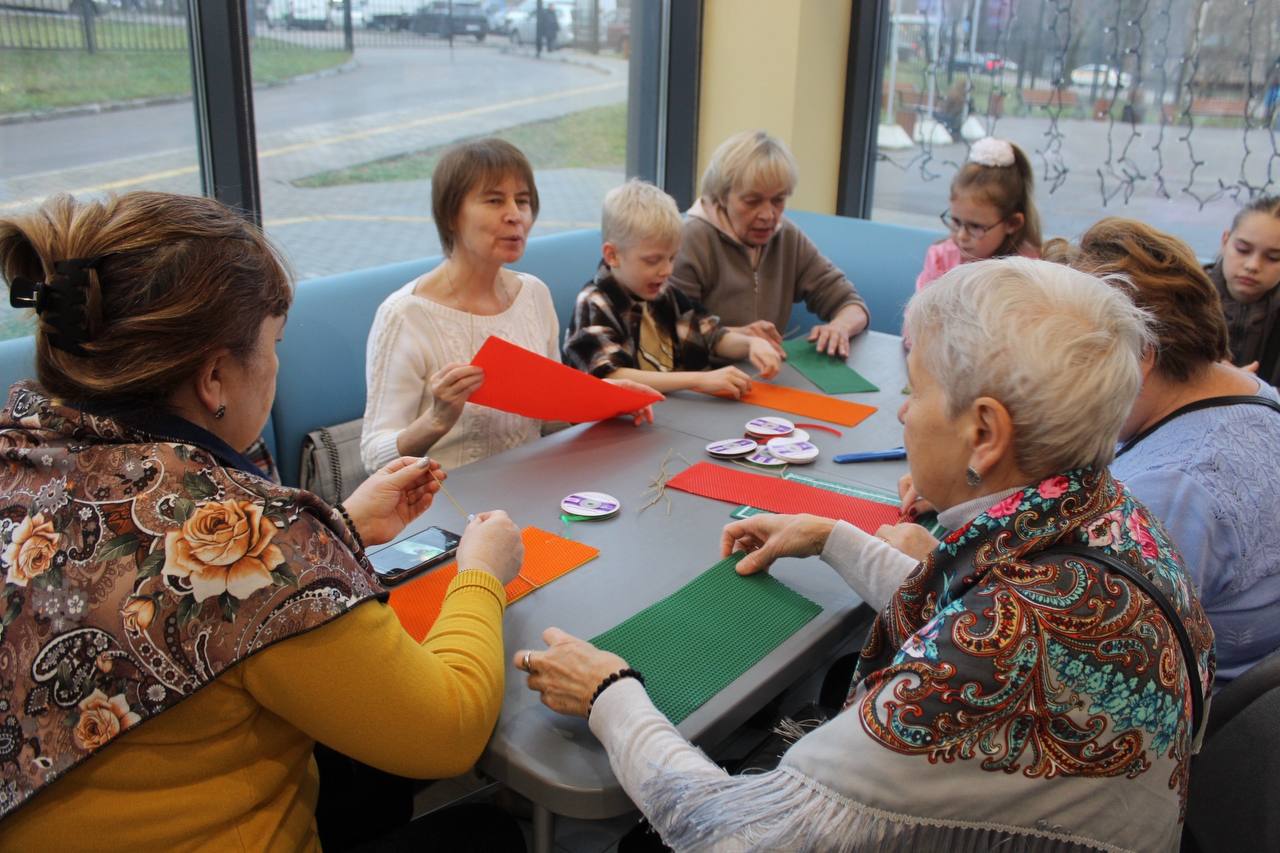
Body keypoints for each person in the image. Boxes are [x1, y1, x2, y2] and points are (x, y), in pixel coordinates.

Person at [516, 258, 1215, 852]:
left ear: (984, 434)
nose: (904, 413)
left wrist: (610, 694)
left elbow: (727, 831)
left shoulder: (995, 650)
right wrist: (832, 535)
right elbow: (975, 600)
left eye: (916, 391)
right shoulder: (1119, 522)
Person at [0, 191, 526, 850]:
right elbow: (450, 728)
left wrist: (339, 527)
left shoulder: (19, 450)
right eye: (273, 344)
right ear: (216, 376)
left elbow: (152, 570)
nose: (277, 365)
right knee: (488, 831)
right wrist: (481, 571)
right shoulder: (253, 537)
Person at [1040, 218, 1280, 688]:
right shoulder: (1256, 395)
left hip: (1184, 721)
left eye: (1074, 359)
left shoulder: (1176, 489)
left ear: (1138, 356)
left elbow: (1076, 666)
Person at [361, 138, 653, 475]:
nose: (515, 216)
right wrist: (437, 420)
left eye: (523, 201)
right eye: (495, 200)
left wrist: (604, 399)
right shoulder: (405, 314)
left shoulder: (533, 294)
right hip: (443, 502)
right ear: (451, 214)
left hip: (532, 483)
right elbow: (373, 458)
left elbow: (549, 412)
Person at [563, 179, 781, 400]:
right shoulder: (594, 302)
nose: (666, 270)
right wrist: (697, 380)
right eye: (652, 260)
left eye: (672, 258)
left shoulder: (665, 295)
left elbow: (712, 336)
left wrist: (752, 343)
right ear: (613, 255)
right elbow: (612, 376)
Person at [670, 130, 870, 359]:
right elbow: (672, 331)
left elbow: (851, 303)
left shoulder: (787, 236)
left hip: (765, 376)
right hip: (700, 380)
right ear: (722, 196)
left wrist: (840, 327)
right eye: (752, 201)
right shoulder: (690, 239)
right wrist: (739, 337)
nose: (768, 215)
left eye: (778, 200)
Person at [915, 137, 1041, 292]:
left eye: (975, 226)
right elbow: (919, 314)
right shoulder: (941, 259)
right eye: (956, 221)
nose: (961, 236)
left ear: (1012, 223)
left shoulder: (1029, 269)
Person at [1204, 195, 1280, 386]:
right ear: (1225, 240)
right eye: (1243, 249)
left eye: (1273, 258)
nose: (1253, 266)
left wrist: (1260, 395)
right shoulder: (1181, 297)